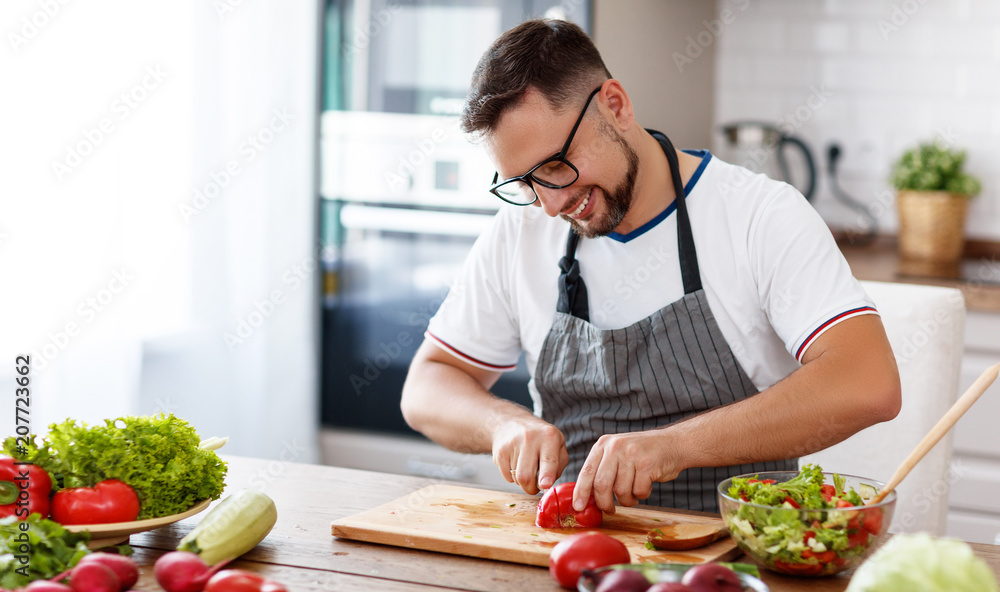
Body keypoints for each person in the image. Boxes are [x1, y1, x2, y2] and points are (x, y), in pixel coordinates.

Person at [400, 19, 900, 513]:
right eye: (525, 183)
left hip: (735, 553)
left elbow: (867, 383)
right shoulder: (521, 231)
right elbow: (426, 387)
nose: (550, 205)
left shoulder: (759, 215)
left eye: (556, 166)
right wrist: (502, 425)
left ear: (614, 106)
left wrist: (672, 447)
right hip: (574, 551)